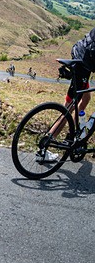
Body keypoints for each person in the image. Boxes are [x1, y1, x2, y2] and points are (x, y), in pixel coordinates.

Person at [40, 27, 95, 162]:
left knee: (86, 98)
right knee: (69, 107)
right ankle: (45, 145)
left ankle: (72, 135)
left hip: (82, 54)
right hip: (84, 62)